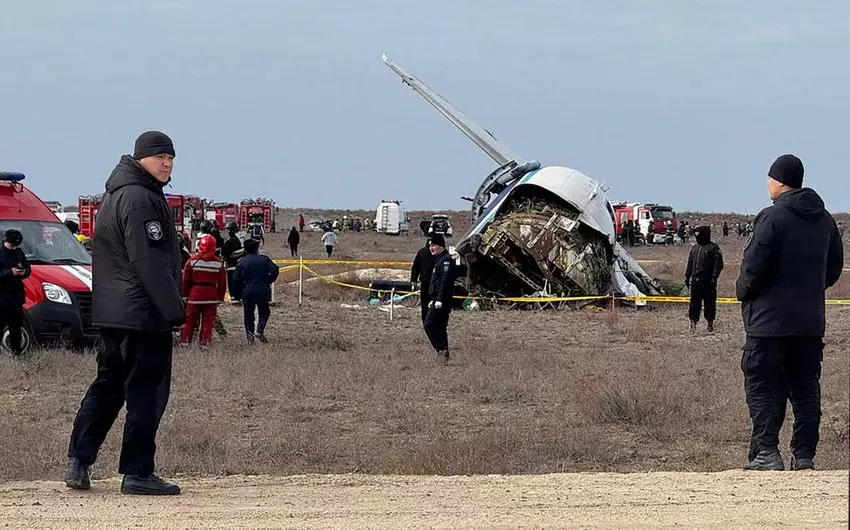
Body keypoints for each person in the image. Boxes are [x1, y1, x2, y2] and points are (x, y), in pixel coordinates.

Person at [65, 131, 184, 496]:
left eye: (171, 158)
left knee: (107, 386)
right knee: (146, 392)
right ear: (141, 159)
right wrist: (174, 311)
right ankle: (138, 472)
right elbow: (148, 260)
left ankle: (78, 461)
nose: (167, 164)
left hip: (114, 313)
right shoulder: (141, 198)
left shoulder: (115, 194)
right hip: (143, 315)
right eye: (160, 157)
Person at [735, 154, 843, 471]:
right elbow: (834, 268)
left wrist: (743, 290)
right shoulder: (825, 221)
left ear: (779, 181)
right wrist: (808, 290)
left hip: (768, 324)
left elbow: (753, 267)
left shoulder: (771, 218)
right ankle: (805, 456)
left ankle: (767, 453)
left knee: (763, 386)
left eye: (770, 178)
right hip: (809, 323)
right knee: (806, 389)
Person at [179, 234, 227, 347]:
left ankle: (184, 342)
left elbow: (185, 281)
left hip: (194, 295)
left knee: (189, 320)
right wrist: (220, 298)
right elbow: (222, 283)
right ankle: (205, 344)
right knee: (208, 321)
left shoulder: (191, 261)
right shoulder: (219, 263)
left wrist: (185, 295)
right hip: (211, 296)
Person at [233, 239, 280, 344]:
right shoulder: (264, 259)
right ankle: (260, 329)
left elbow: (236, 280)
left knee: (248, 315)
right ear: (256, 248)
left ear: (244, 249)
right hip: (263, 290)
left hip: (247, 292)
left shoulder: (241, 262)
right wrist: (269, 280)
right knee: (264, 311)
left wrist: (236, 295)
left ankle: (250, 339)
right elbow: (275, 269)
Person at [423, 234, 456, 364]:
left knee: (429, 324)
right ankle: (444, 353)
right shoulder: (439, 260)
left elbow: (445, 282)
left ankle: (440, 350)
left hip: (442, 300)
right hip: (436, 299)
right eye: (430, 246)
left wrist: (439, 299)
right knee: (440, 327)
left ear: (440, 246)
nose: (431, 248)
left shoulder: (446, 260)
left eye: (433, 245)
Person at [684, 225, 723, 332]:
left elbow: (718, 264)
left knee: (709, 303)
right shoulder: (695, 248)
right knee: (694, 303)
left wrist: (714, 277)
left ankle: (710, 323)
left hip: (708, 281)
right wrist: (687, 277)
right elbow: (690, 263)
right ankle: (693, 323)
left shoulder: (713, 248)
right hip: (695, 281)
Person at [0, 229, 32, 355]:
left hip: (16, 297)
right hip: (2, 297)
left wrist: (24, 272)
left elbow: (28, 268)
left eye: (16, 246)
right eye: (12, 245)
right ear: (6, 241)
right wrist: (9, 273)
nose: (14, 248)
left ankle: (17, 353)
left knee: (16, 328)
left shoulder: (19, 253)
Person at [410, 236, 435, 325]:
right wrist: (413, 279)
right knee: (425, 304)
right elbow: (415, 267)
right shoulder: (422, 252)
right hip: (424, 283)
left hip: (435, 284)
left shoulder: (438, 254)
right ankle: (426, 321)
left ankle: (431, 321)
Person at [221, 222, 244, 301]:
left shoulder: (232, 240)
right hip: (235, 264)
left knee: (232, 281)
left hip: (232, 265)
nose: (227, 231)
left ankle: (234, 297)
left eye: (228, 229)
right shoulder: (235, 239)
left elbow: (225, 251)